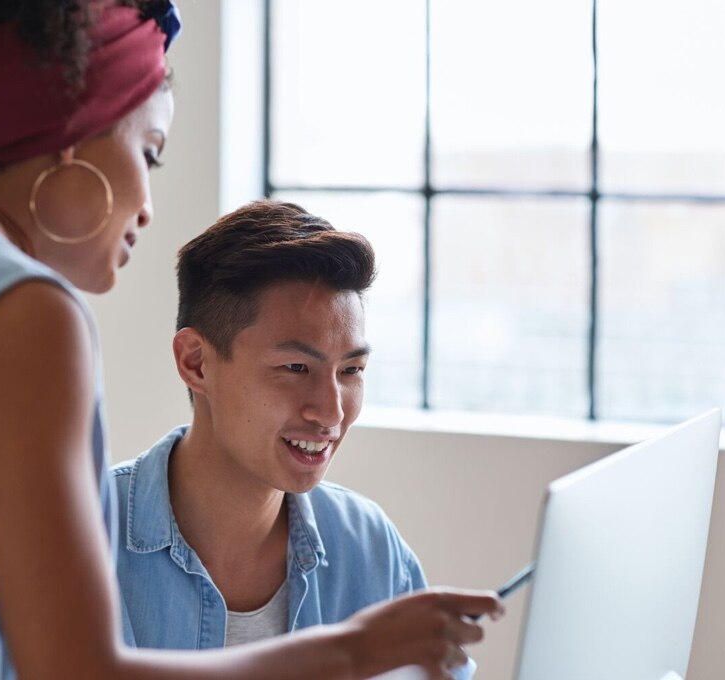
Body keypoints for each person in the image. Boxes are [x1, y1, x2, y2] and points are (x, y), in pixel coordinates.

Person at [0, 2, 502, 679]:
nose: (149, 207)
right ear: (72, 131)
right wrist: (354, 651)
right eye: (149, 152)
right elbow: (78, 670)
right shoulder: (27, 313)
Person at [112, 200, 478, 679]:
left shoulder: (366, 545)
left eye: (351, 370)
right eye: (295, 368)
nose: (331, 411)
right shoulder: (82, 538)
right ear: (196, 362)